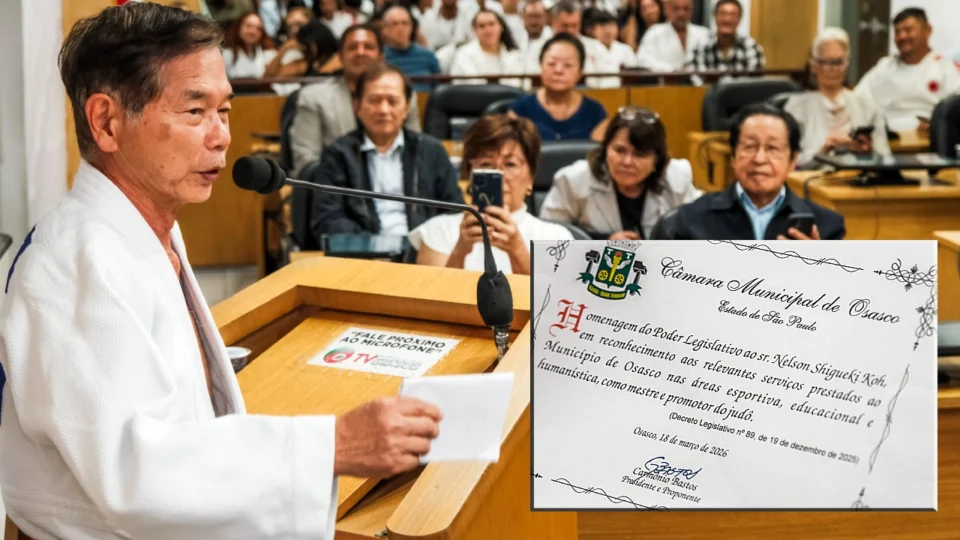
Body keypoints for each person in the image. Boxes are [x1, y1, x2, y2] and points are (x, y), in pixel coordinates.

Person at [0, 4, 442, 539]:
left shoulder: (146, 228)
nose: (221, 137)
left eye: (225, 111)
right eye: (195, 112)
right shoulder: (75, 264)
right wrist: (336, 444)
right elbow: (136, 474)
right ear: (107, 122)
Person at [308, 64, 463, 240]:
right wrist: (374, 245)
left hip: (423, 255)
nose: (383, 110)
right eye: (374, 100)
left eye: (392, 101)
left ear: (406, 108)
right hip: (363, 256)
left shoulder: (431, 151)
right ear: (357, 106)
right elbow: (328, 219)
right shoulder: (338, 155)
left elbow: (454, 212)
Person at [410, 115, 573, 274]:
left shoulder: (555, 238)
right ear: (470, 173)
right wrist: (460, 250)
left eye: (510, 164)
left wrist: (516, 250)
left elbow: (551, 299)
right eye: (486, 164)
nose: (499, 174)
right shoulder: (440, 229)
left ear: (531, 177)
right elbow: (432, 299)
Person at [666, 104, 845, 241]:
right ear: (733, 157)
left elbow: (838, 288)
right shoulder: (692, 220)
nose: (759, 159)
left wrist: (819, 268)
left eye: (772, 148)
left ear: (792, 161)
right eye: (750, 147)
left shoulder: (826, 226)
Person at [540, 106, 699, 240]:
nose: (627, 162)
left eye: (639, 154)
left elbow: (699, 230)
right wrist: (601, 244)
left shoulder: (677, 177)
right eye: (619, 150)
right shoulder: (574, 179)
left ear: (656, 159)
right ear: (605, 149)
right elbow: (548, 238)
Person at [290, 23, 421, 174]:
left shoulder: (399, 96)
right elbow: (306, 163)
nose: (360, 52)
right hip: (334, 188)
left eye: (368, 47)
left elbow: (416, 152)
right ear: (340, 57)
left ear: (381, 57)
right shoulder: (313, 98)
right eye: (352, 47)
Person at [784, 27, 890, 167]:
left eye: (839, 62)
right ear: (814, 65)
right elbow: (787, 162)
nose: (833, 69)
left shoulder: (867, 107)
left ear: (847, 65)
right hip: (812, 182)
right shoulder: (796, 108)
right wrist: (822, 153)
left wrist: (868, 153)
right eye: (826, 62)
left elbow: (886, 159)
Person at [854, 7, 960, 135]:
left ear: (928, 30)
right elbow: (859, 100)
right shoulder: (884, 68)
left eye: (908, 30)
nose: (902, 36)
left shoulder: (945, 68)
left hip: (930, 145)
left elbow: (953, 112)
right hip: (884, 142)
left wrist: (934, 126)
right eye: (897, 32)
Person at [509, 33, 608, 141]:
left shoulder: (596, 113)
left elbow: (597, 155)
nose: (558, 70)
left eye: (568, 65)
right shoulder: (520, 110)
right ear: (541, 66)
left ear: (580, 72)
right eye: (551, 63)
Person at [524, 0, 620, 88]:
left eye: (574, 26)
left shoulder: (596, 48)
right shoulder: (538, 48)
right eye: (565, 26)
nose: (569, 31)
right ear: (553, 22)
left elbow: (611, 83)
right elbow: (529, 83)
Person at [686, 0, 764, 72]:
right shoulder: (701, 47)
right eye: (723, 14)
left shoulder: (751, 47)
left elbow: (753, 82)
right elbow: (696, 83)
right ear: (715, 17)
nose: (727, 19)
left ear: (739, 19)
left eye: (733, 15)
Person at [450, 10, 523, 86]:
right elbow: (474, 87)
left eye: (491, 24)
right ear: (474, 30)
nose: (488, 30)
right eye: (482, 26)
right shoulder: (464, 55)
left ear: (501, 27)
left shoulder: (514, 55)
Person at [379, 4, 442, 91]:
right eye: (394, 24)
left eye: (405, 23)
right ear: (385, 29)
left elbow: (438, 87)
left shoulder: (428, 56)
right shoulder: (380, 57)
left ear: (412, 27)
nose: (400, 28)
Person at [636, 0, 709, 72]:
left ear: (692, 10)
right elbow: (642, 61)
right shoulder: (654, 33)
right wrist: (673, 70)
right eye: (676, 9)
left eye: (686, 9)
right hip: (666, 82)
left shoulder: (704, 34)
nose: (681, 14)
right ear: (667, 9)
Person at [221, 11, 278, 78]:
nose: (253, 31)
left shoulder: (268, 54)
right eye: (248, 26)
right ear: (239, 27)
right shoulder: (227, 55)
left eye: (258, 29)